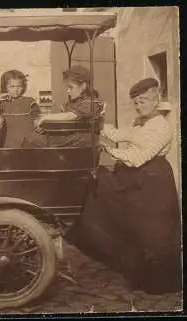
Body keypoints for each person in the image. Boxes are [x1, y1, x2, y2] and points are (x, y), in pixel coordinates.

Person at [65, 78, 182, 294]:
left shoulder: (161, 127)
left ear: (156, 101)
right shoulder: (141, 122)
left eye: (144, 101)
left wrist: (109, 150)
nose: (139, 106)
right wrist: (99, 123)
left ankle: (160, 282)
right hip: (137, 178)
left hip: (154, 181)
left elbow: (140, 156)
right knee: (132, 224)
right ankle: (134, 270)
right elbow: (120, 134)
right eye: (136, 102)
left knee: (154, 232)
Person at [23, 65, 105, 147]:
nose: (68, 91)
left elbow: (72, 116)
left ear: (83, 86)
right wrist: (45, 128)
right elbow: (63, 123)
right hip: (69, 138)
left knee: (33, 139)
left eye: (71, 87)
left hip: (81, 140)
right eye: (67, 87)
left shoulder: (91, 103)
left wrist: (45, 117)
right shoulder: (71, 104)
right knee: (33, 137)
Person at [0, 70, 40, 147]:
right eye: (12, 86)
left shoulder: (29, 101)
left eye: (19, 86)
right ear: (5, 87)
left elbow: (37, 121)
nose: (16, 89)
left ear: (23, 87)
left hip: (28, 144)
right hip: (8, 144)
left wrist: (39, 126)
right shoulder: (1, 103)